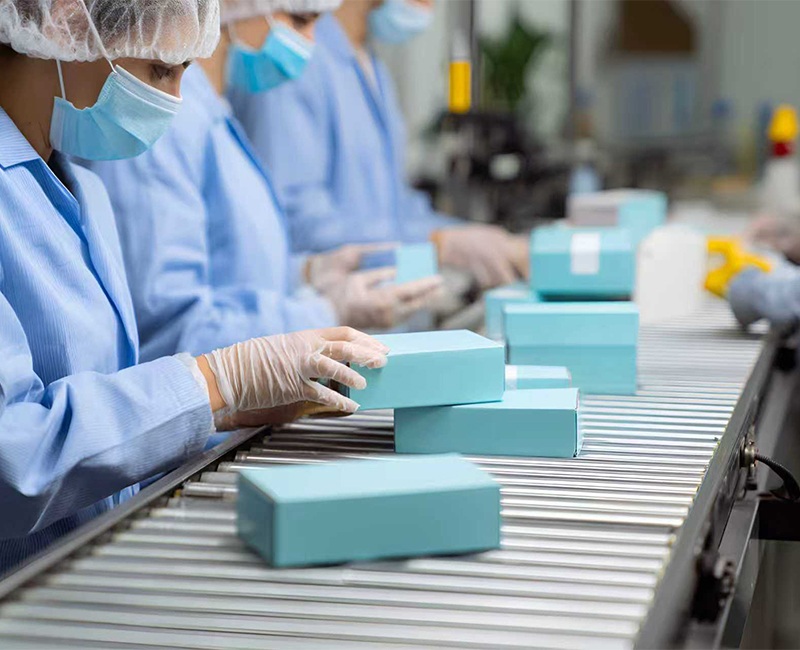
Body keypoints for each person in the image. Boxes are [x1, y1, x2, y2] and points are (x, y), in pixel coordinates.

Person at [0, 0, 388, 574]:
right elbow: (14, 464)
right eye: (161, 70)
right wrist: (213, 385)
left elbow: (100, 398)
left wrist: (219, 411)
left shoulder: (79, 186)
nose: (176, 101)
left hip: (80, 568)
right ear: (64, 20)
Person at [88, 0, 441, 364]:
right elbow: (172, 329)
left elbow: (232, 270)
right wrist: (324, 313)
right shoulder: (164, 122)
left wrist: (305, 275)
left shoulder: (214, 110)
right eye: (300, 20)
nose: (310, 43)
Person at [229, 0, 528, 289]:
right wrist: (437, 244)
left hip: (389, 318)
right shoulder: (294, 59)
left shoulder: (372, 65)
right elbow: (299, 222)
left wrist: (478, 239)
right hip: (332, 324)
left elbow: (395, 208)